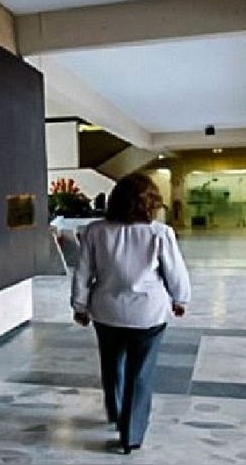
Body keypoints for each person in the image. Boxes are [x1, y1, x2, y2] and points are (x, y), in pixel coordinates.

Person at [70, 173, 191, 455]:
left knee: (112, 366)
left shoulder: (95, 231)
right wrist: (180, 299)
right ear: (151, 202)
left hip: (106, 311)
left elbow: (83, 272)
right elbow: (175, 271)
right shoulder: (159, 233)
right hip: (148, 314)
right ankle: (131, 434)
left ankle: (115, 412)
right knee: (140, 373)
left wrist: (80, 305)